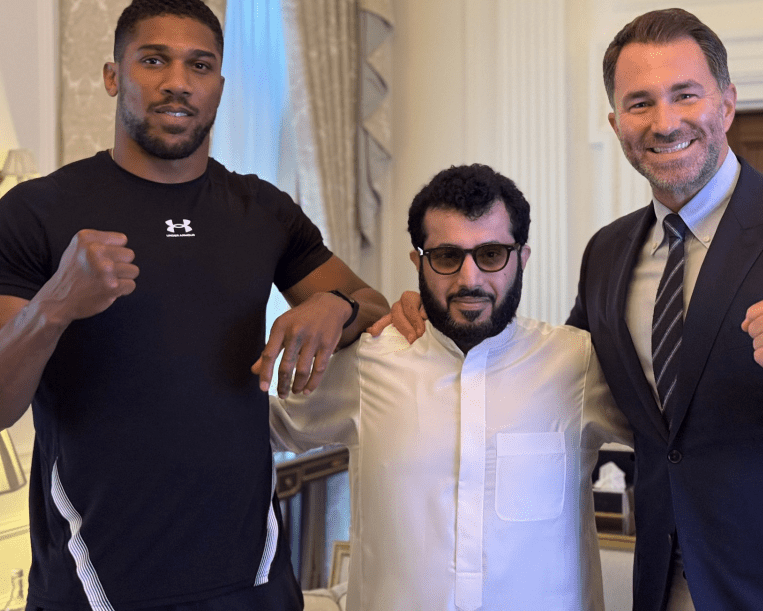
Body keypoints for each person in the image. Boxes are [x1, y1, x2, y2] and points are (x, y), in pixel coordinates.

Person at [385, 9, 763, 611]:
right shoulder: (607, 252)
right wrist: (436, 313)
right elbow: (555, 381)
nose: (665, 121)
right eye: (639, 103)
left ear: (727, 104)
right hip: (669, 585)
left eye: (686, 95)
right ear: (615, 122)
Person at [0, 0, 389, 610]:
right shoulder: (35, 212)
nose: (177, 83)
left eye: (199, 66)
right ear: (112, 76)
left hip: (253, 584)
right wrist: (55, 304)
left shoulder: (261, 209)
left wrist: (332, 305)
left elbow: (372, 303)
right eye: (153, 61)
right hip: (95, 588)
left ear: (220, 86)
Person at [269, 164, 632, 611]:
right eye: (446, 257)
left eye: (492, 254)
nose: (469, 279)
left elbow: (679, 441)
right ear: (417, 262)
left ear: (522, 258)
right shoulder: (370, 362)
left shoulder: (577, 362)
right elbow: (258, 424)